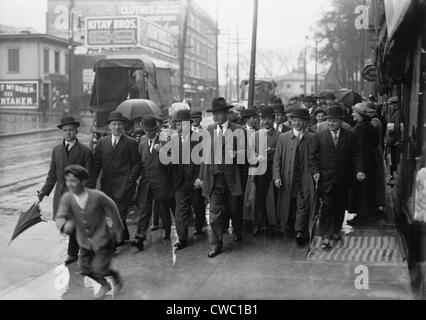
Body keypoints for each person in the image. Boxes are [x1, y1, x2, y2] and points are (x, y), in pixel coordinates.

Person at [55, 165, 124, 300]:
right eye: (67, 180)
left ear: (83, 181)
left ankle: (109, 281)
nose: (69, 184)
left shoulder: (97, 196)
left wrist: (118, 229)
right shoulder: (67, 198)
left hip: (102, 239)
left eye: (73, 180)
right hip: (84, 241)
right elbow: (60, 216)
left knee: (99, 268)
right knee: (85, 268)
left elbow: (113, 209)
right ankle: (106, 283)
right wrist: (64, 225)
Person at [37, 116, 96, 265]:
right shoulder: (56, 150)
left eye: (71, 130)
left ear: (76, 131)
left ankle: (73, 253)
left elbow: (90, 176)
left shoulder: (85, 151)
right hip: (61, 195)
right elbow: (52, 175)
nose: (68, 133)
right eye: (65, 130)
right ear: (62, 132)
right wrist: (43, 192)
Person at [309, 106, 365, 249]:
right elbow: (312, 157)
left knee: (340, 206)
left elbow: (357, 154)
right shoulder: (319, 136)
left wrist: (359, 170)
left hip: (343, 178)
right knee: (327, 206)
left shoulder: (350, 136)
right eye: (329, 120)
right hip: (325, 179)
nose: (331, 123)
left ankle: (335, 230)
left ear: (340, 121)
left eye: (334, 121)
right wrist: (315, 171)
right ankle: (325, 236)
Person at [199, 97, 245, 258]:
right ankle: (216, 244)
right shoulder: (209, 131)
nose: (216, 117)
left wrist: (236, 154)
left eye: (219, 113)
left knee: (234, 209)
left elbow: (245, 155)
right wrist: (201, 177)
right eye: (214, 114)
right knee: (214, 212)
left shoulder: (238, 129)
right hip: (214, 178)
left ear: (226, 113)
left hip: (231, 178)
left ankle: (238, 230)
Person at [94, 111, 142, 247]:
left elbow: (137, 164)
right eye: (114, 124)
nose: (117, 127)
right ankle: (124, 233)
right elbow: (96, 164)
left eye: (119, 124)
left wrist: (131, 180)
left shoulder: (131, 143)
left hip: (124, 185)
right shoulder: (102, 143)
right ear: (109, 126)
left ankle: (113, 243)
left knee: (119, 213)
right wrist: (91, 182)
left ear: (124, 126)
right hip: (107, 185)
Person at [273, 108, 315, 245]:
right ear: (291, 121)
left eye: (300, 120)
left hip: (303, 179)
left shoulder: (312, 138)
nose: (297, 123)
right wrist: (277, 176)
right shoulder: (283, 137)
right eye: (294, 120)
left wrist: (315, 173)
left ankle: (299, 231)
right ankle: (287, 226)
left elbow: (315, 159)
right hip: (287, 177)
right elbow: (277, 160)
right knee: (287, 203)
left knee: (302, 204)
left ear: (305, 122)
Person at [131, 115, 173, 251]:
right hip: (146, 182)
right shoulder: (142, 144)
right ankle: (139, 237)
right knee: (144, 209)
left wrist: (161, 152)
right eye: (146, 130)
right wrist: (134, 179)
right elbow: (140, 164)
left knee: (163, 208)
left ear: (156, 130)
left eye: (151, 130)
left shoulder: (164, 143)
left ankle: (167, 229)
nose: (148, 133)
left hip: (161, 181)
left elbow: (171, 164)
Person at [347, 103, 386, 225]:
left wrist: (359, 167)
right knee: (366, 190)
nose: (352, 114)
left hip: (363, 166)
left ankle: (361, 216)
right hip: (368, 164)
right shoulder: (366, 126)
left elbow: (360, 149)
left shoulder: (362, 128)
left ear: (361, 115)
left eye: (355, 112)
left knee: (362, 192)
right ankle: (366, 213)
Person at [170, 110, 202, 249]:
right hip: (180, 182)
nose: (180, 128)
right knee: (180, 211)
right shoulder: (173, 139)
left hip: (195, 181)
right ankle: (182, 239)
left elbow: (204, 160)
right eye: (177, 125)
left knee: (198, 207)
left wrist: (201, 178)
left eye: (182, 124)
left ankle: (199, 226)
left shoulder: (199, 139)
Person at [249, 106, 281, 235]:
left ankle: (271, 224)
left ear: (274, 119)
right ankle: (257, 223)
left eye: (269, 118)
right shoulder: (255, 135)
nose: (266, 121)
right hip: (259, 169)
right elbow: (249, 153)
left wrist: (272, 151)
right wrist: (258, 156)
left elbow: (282, 154)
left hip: (273, 168)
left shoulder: (280, 136)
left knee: (273, 197)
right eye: (264, 118)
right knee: (258, 197)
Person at [190, 109, 207, 235]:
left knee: (199, 201)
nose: (196, 120)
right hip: (187, 169)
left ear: (201, 119)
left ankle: (199, 223)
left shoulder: (205, 133)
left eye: (198, 118)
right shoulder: (185, 133)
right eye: (194, 118)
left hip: (199, 169)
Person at [386, 96, 401, 185]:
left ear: (395, 104)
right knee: (393, 159)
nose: (389, 106)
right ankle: (393, 177)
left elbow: (397, 127)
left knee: (395, 160)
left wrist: (394, 139)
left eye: (390, 104)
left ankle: (394, 179)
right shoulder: (395, 112)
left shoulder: (397, 113)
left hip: (394, 139)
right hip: (393, 139)